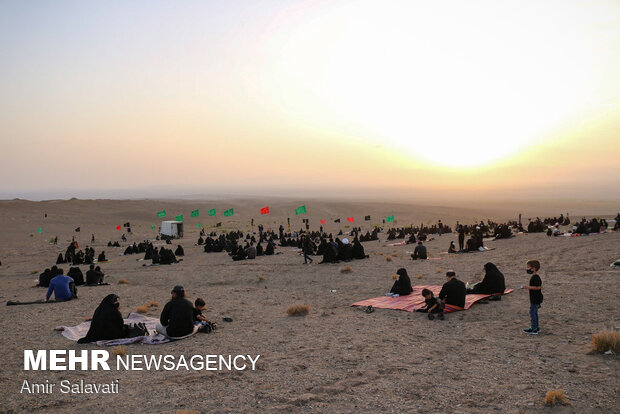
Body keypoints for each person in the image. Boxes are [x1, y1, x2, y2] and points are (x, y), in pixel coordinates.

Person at [521, 260, 543, 335]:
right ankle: (536, 327)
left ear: (533, 268)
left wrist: (527, 287)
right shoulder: (534, 277)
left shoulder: (536, 277)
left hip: (535, 299)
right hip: (535, 298)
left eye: (528, 267)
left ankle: (534, 328)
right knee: (534, 313)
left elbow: (538, 287)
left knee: (533, 313)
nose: (527, 269)